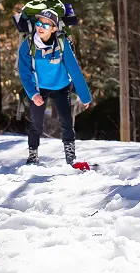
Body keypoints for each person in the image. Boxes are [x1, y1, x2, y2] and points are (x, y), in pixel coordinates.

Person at [17, 9, 92, 166]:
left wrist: (84, 95)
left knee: (65, 120)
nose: (41, 27)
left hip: (61, 86)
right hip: (39, 88)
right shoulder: (28, 44)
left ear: (54, 28)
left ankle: (70, 155)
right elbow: (25, 72)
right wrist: (33, 93)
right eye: (38, 23)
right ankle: (33, 154)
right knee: (36, 123)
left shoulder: (62, 43)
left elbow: (74, 69)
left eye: (46, 24)